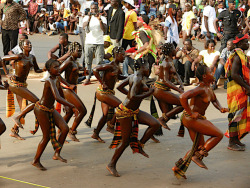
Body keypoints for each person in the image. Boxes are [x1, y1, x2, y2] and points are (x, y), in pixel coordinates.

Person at [107, 58, 160, 177]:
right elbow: (134, 96)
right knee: (125, 142)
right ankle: (111, 164)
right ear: (142, 67)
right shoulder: (136, 78)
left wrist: (132, 95)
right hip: (125, 112)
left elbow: (120, 87)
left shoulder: (135, 76)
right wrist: (149, 92)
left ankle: (139, 145)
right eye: (148, 66)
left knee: (155, 124)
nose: (149, 69)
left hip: (133, 110)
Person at [172, 65, 227, 179]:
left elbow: (214, 99)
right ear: (204, 76)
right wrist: (191, 113)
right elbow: (183, 97)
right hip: (191, 119)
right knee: (218, 134)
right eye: (211, 72)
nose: (213, 73)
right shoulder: (200, 88)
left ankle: (178, 167)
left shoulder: (209, 88)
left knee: (198, 146)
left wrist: (220, 108)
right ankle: (198, 156)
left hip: (193, 119)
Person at [32, 59, 79, 171]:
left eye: (59, 66)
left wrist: (65, 104)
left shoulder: (57, 78)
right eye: (55, 67)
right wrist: (72, 105)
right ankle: (36, 160)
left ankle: (57, 153)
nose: (58, 69)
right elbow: (57, 97)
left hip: (50, 109)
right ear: (49, 70)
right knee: (46, 137)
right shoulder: (49, 81)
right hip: (41, 110)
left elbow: (60, 93)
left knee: (65, 128)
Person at [1, 39, 43, 140]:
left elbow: (37, 70)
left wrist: (48, 69)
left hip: (23, 85)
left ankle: (14, 131)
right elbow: (2, 59)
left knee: (24, 108)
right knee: (37, 102)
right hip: (15, 84)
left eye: (30, 43)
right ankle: (16, 117)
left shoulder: (32, 58)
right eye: (27, 44)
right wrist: (7, 73)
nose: (29, 45)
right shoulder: (19, 56)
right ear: (22, 47)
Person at [90, 47, 126, 143]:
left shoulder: (117, 67)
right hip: (103, 93)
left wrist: (130, 77)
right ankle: (110, 126)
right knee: (121, 107)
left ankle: (96, 133)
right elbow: (94, 70)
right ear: (117, 55)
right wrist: (102, 83)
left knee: (105, 115)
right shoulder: (110, 65)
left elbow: (119, 77)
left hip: (108, 93)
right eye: (123, 55)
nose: (124, 57)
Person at [225, 34, 250, 151]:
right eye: (246, 42)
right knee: (235, 115)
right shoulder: (237, 56)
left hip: (240, 88)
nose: (248, 44)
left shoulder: (241, 55)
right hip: (236, 89)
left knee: (239, 115)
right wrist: (246, 86)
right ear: (240, 44)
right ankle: (231, 142)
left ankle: (236, 140)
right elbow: (234, 74)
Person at [59, 42, 87, 142]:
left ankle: (59, 133)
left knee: (69, 112)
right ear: (71, 51)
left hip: (72, 89)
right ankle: (72, 131)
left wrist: (83, 73)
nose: (80, 52)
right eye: (77, 50)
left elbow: (75, 74)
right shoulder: (69, 61)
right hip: (67, 90)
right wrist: (68, 84)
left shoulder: (75, 61)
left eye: (80, 50)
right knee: (83, 110)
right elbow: (57, 73)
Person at [153, 43, 184, 130]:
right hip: (160, 90)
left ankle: (151, 130)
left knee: (168, 114)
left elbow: (175, 74)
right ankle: (161, 120)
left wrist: (181, 84)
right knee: (183, 103)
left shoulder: (170, 61)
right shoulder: (166, 63)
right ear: (171, 51)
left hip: (163, 90)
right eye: (174, 49)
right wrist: (179, 90)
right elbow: (166, 81)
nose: (176, 50)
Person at [82, 2, 107, 85]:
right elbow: (84, 26)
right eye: (92, 8)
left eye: (95, 8)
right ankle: (87, 78)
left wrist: (99, 19)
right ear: (90, 9)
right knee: (88, 62)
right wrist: (89, 18)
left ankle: (100, 79)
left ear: (98, 9)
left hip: (99, 42)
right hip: (88, 42)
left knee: (99, 61)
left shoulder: (103, 18)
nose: (94, 10)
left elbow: (104, 29)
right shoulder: (86, 17)